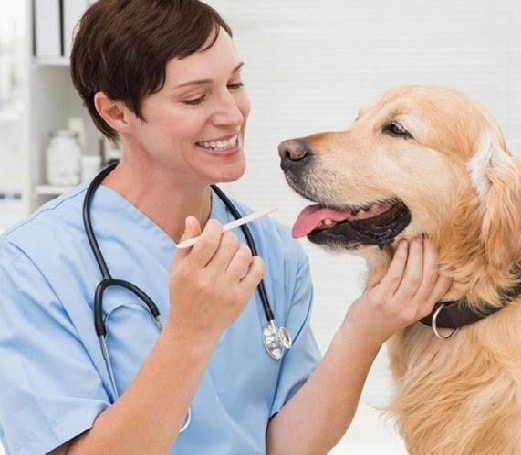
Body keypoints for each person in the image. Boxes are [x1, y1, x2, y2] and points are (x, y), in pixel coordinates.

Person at [0, 1, 452, 454]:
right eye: (195, 97)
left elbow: (288, 447)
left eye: (234, 83)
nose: (232, 114)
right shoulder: (32, 266)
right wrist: (189, 333)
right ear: (118, 114)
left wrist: (364, 328)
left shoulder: (271, 249)